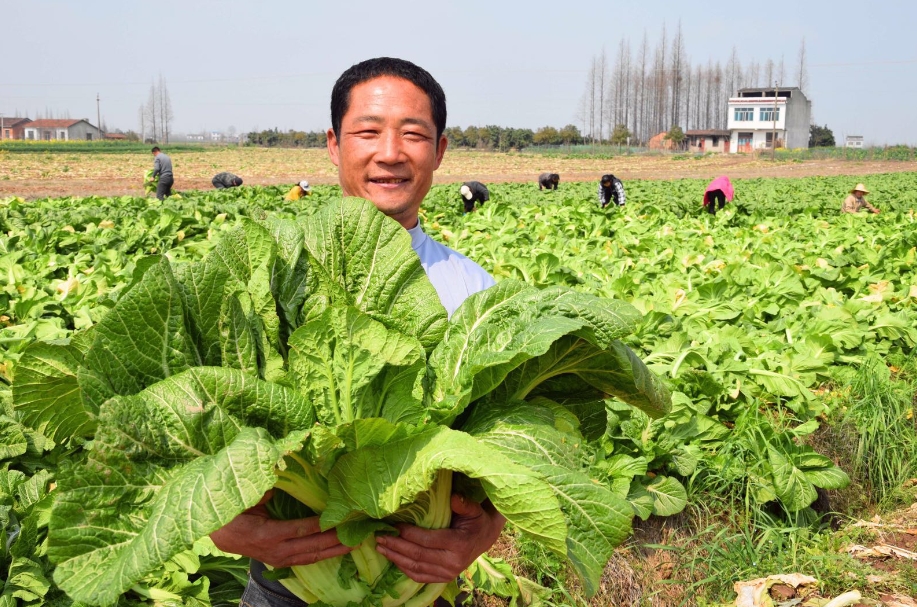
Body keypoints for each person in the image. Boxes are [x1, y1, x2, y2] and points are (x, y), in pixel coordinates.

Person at [210, 57, 501, 607]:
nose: (389, 152)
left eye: (413, 134)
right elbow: (190, 404)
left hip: (423, 584)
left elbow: (514, 426)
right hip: (291, 585)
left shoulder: (475, 292)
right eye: (367, 132)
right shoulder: (266, 270)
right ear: (333, 143)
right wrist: (217, 524)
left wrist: (490, 527)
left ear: (439, 151)